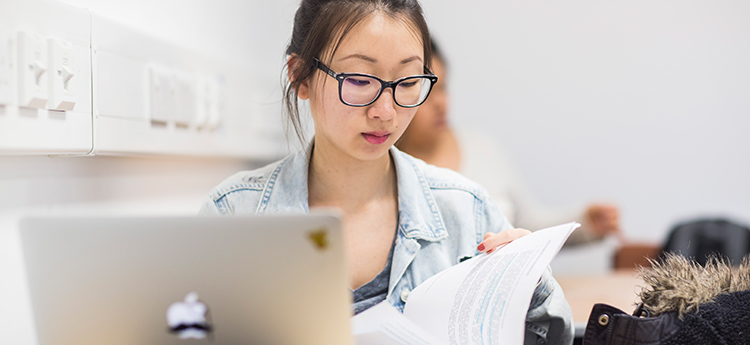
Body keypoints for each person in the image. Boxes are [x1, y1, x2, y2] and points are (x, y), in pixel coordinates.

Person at [200, 1, 573, 343]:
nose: (386, 112)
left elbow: (546, 333)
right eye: (360, 81)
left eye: (408, 83)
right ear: (300, 76)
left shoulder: (466, 211)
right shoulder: (234, 216)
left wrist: (530, 281)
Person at [396, 39, 620, 246]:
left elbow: (527, 226)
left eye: (443, 88)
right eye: (427, 92)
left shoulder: (480, 147)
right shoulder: (387, 172)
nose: (441, 104)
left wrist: (584, 225)